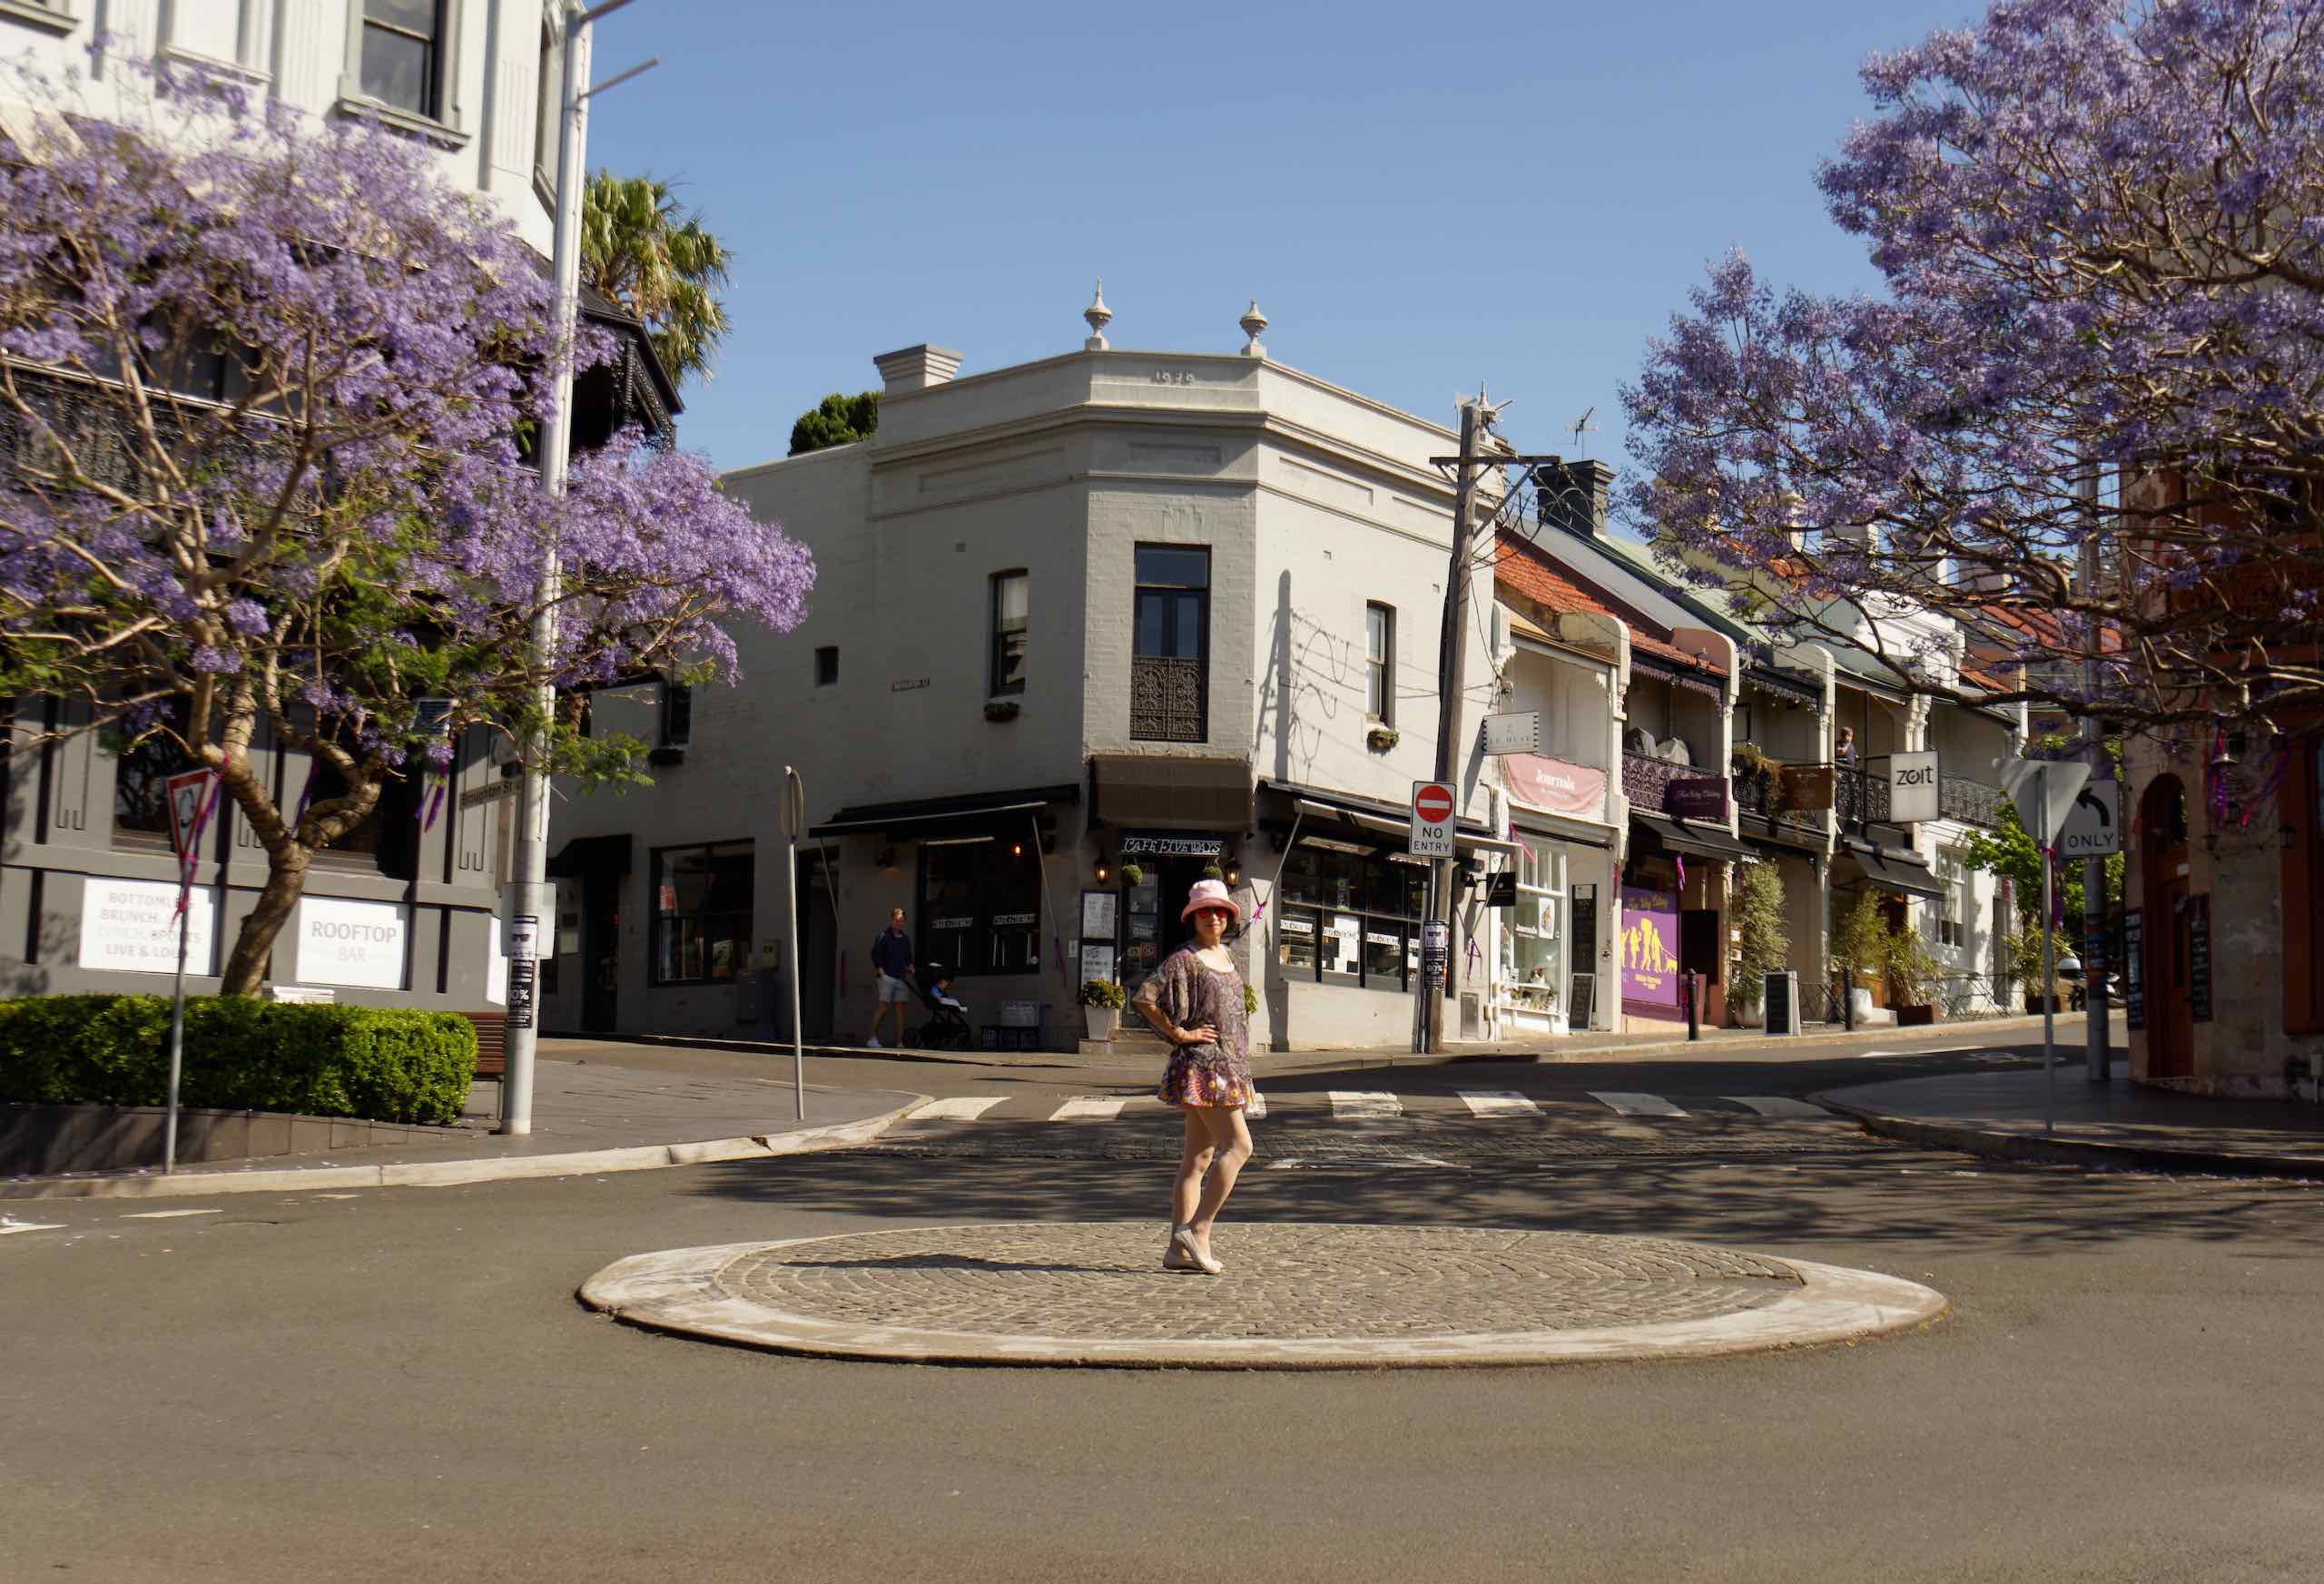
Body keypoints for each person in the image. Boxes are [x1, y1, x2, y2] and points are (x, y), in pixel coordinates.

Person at [1132, 878, 1255, 1276]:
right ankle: (1198, 1231)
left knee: (1197, 1160)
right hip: (1205, 1067)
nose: (1214, 917)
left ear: (1229, 917)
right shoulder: (1184, 958)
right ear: (1193, 917)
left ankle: (1176, 1252)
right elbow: (1144, 997)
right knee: (1240, 1147)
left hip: (1229, 1067)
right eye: (1205, 911)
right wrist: (1179, 1033)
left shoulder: (1228, 956)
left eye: (1220, 910)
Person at [865, 906, 914, 1048]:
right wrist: (882, 974)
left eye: (902, 920)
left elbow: (908, 957)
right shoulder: (883, 936)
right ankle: (872, 1039)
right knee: (883, 1007)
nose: (899, 923)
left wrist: (910, 966)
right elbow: (875, 955)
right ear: (892, 919)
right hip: (886, 977)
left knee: (900, 1009)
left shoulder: (905, 939)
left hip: (901, 978)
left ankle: (899, 1042)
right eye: (897, 920)